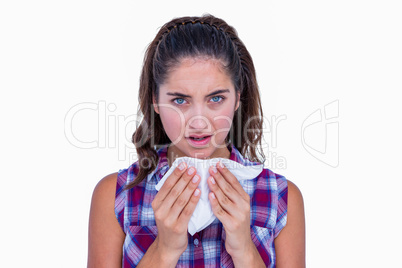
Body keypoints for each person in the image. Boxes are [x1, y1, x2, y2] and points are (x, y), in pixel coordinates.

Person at [88, 14, 305, 268]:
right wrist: (164, 250)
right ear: (156, 102)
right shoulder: (116, 195)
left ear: (237, 98)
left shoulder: (281, 197)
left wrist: (244, 250)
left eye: (216, 99)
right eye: (180, 100)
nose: (199, 123)